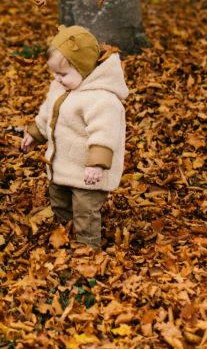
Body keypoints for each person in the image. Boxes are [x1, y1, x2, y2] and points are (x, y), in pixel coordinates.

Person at [20, 25, 128, 249]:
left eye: (63, 74)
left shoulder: (101, 99)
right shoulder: (60, 88)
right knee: (59, 200)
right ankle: (63, 232)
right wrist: (35, 133)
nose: (56, 79)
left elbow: (105, 133)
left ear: (85, 69)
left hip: (88, 172)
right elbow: (48, 114)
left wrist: (97, 164)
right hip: (63, 165)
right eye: (54, 73)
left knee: (85, 210)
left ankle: (87, 249)